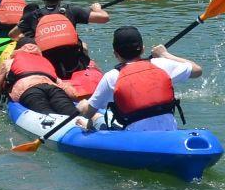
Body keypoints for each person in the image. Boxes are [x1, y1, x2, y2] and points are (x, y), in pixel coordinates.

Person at [76, 25, 204, 133]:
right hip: (169, 133)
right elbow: (197, 70)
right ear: (143, 49)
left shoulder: (112, 76)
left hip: (136, 140)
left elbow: (88, 112)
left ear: (115, 54)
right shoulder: (162, 64)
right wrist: (165, 54)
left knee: (96, 116)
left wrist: (83, 106)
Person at [0, 37, 80, 118]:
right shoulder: (45, 61)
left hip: (29, 91)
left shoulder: (9, 62)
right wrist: (75, 98)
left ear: (17, 49)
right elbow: (65, 87)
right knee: (72, 114)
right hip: (53, 88)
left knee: (48, 116)